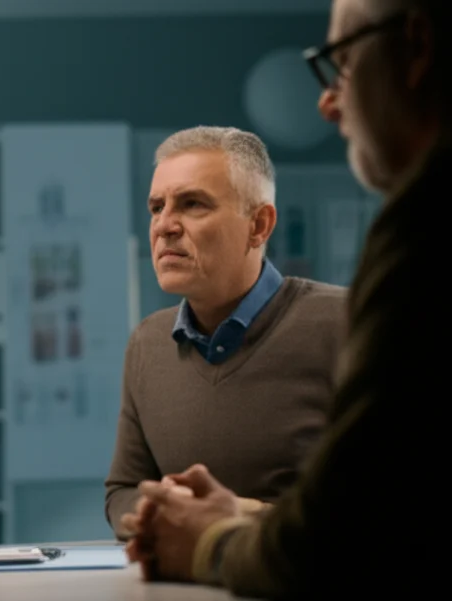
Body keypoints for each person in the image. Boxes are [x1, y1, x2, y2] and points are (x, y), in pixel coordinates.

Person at [124, 0, 452, 601]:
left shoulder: (434, 224)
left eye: (340, 64)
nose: (329, 105)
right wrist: (239, 519)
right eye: (156, 207)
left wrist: (208, 539)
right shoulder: (146, 344)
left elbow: (345, 539)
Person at [104, 126, 346, 538]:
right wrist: (170, 514)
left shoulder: (345, 323)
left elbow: (391, 502)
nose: (164, 226)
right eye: (156, 207)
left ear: (259, 225)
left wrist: (233, 518)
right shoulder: (148, 343)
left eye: (192, 204)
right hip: (183, 596)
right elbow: (124, 491)